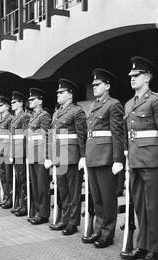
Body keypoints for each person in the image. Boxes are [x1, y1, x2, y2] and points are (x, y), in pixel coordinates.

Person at [120, 56, 158, 260]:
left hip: (153, 162)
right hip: (136, 162)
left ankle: (154, 251)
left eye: (136, 75)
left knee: (153, 208)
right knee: (139, 207)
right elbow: (128, 136)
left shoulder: (157, 100)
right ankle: (143, 245)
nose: (132, 78)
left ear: (147, 77)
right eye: (131, 75)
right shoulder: (129, 103)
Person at [83, 69, 124, 248]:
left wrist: (117, 160)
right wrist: (85, 155)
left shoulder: (113, 104)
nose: (94, 88)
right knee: (97, 198)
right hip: (92, 155)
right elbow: (89, 134)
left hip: (106, 157)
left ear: (107, 86)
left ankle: (107, 234)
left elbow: (117, 134)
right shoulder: (92, 106)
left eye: (98, 85)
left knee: (108, 198)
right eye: (93, 85)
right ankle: (98, 230)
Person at [46, 79, 87, 235]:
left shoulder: (77, 111)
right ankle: (64, 219)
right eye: (58, 92)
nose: (58, 95)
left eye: (61, 92)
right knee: (62, 190)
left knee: (73, 191)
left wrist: (83, 156)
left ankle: (73, 222)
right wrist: (50, 155)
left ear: (70, 95)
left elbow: (81, 135)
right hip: (59, 156)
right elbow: (52, 136)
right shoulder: (56, 112)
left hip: (71, 156)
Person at [27, 88, 52, 225]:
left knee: (42, 186)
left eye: (33, 99)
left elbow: (47, 136)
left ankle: (43, 214)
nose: (30, 101)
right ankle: (37, 211)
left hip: (41, 154)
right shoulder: (33, 115)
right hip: (33, 153)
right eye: (29, 99)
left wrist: (48, 156)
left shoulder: (45, 115)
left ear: (40, 101)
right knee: (35, 185)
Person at [9, 91, 31, 217]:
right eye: (11, 102)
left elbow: (25, 137)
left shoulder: (25, 116)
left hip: (21, 152)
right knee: (17, 178)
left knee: (23, 180)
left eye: (14, 102)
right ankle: (18, 203)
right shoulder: (15, 117)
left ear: (21, 103)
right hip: (16, 152)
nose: (12, 104)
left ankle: (24, 205)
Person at [0, 96, 13, 209]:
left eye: (1, 105)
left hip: (7, 150)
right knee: (2, 175)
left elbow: (11, 137)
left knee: (8, 176)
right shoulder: (1, 118)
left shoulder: (10, 118)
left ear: (7, 106)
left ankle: (10, 198)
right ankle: (6, 197)